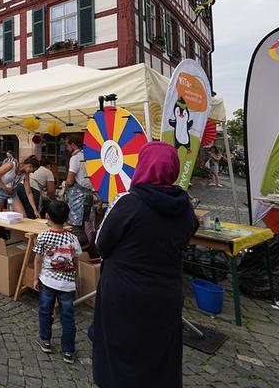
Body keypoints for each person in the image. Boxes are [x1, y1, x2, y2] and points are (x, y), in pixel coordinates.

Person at [92, 142, 198, 388]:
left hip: (124, 293)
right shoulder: (185, 208)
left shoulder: (128, 202)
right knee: (157, 356)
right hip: (165, 292)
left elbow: (101, 243)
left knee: (119, 356)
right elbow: (185, 237)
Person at [33, 200, 81, 364]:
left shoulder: (42, 236)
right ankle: (68, 351)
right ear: (67, 218)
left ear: (47, 216)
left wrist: (35, 277)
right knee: (67, 317)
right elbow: (75, 262)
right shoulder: (73, 238)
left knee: (45, 311)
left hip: (47, 280)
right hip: (67, 284)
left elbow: (38, 260)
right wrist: (76, 278)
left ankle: (45, 340)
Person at [64, 135, 94, 248]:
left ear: (73, 145)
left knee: (76, 227)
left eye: (67, 145)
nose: (67, 148)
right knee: (88, 223)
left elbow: (70, 180)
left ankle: (79, 251)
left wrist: (66, 186)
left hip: (78, 197)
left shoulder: (75, 158)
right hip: (90, 195)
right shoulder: (89, 156)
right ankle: (90, 249)